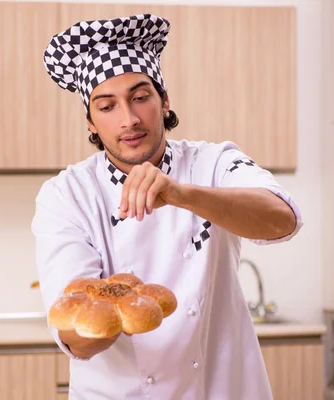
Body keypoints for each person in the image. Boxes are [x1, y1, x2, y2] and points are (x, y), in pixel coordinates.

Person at [31, 13, 303, 400]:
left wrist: (181, 194)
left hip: (221, 389)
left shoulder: (214, 162)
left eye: (140, 98)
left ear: (164, 100)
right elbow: (77, 339)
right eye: (107, 107)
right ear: (90, 122)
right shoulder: (66, 195)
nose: (129, 119)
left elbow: (283, 220)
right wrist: (122, 304)